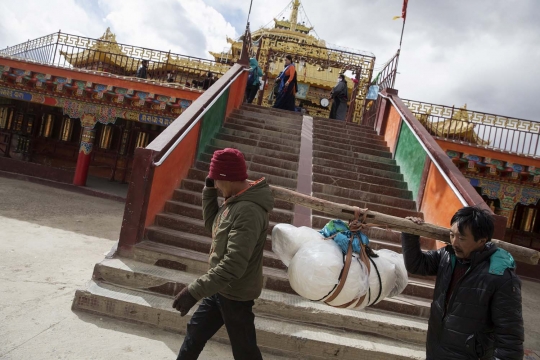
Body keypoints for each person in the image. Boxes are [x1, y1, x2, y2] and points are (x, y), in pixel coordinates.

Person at [173, 148, 274, 360]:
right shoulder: (235, 201)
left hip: (236, 293)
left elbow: (233, 265)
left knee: (245, 351)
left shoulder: (248, 211)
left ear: (229, 178)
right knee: (195, 333)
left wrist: (194, 290)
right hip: (218, 287)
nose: (216, 185)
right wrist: (209, 191)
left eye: (217, 181)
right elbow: (214, 227)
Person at [403, 207, 524, 360]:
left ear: (481, 240)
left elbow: (510, 338)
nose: (454, 242)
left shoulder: (500, 276)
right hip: (435, 349)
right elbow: (417, 265)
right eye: (452, 235)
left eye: (461, 238)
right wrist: (410, 233)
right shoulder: (447, 256)